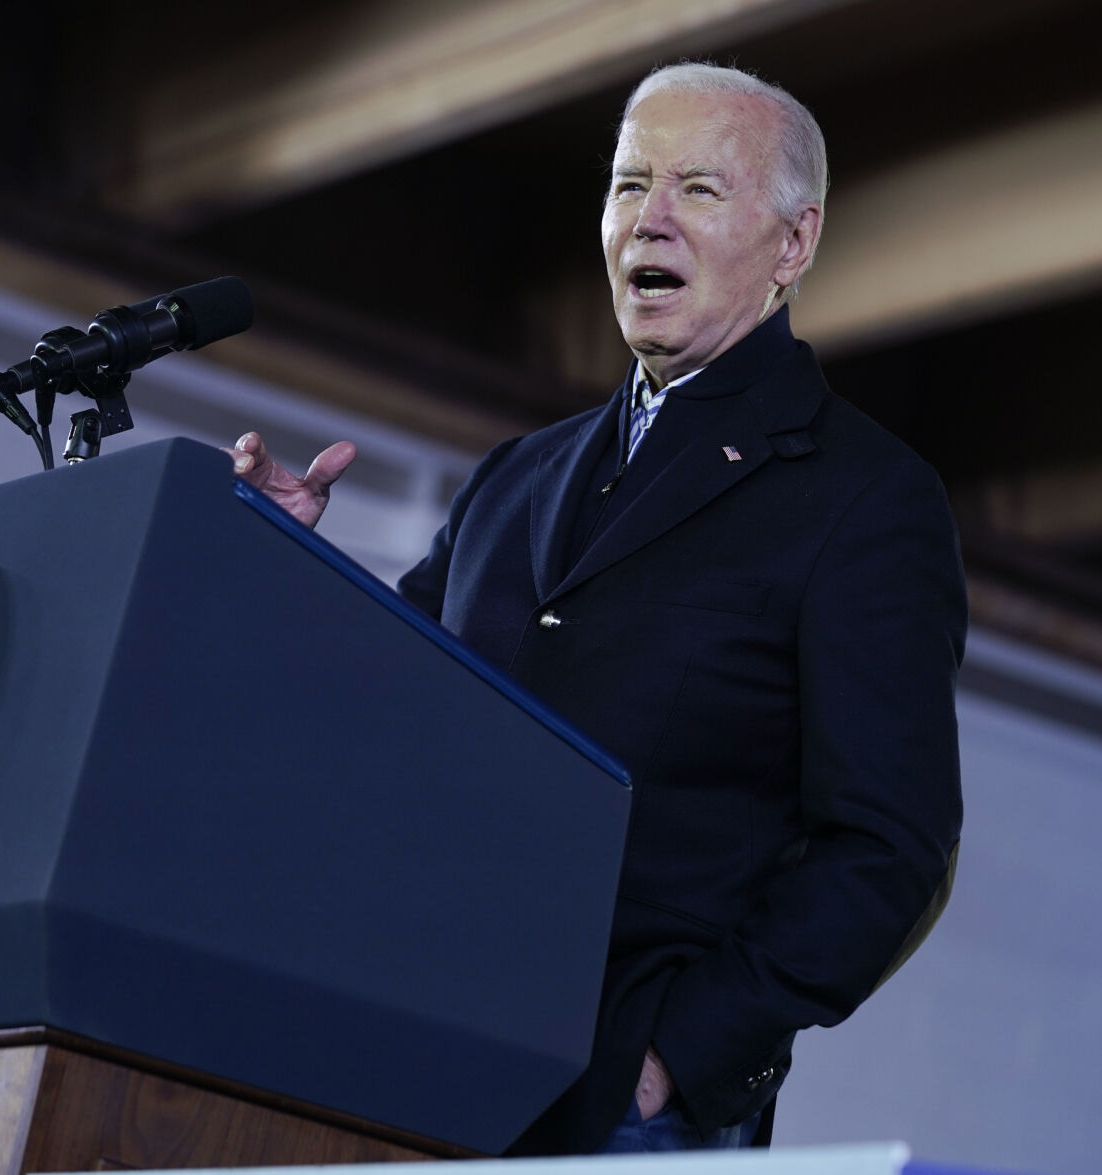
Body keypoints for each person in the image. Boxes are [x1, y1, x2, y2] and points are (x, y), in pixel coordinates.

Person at [228, 63, 966, 1156]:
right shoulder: (517, 475)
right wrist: (284, 566)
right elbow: (397, 707)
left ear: (792, 245)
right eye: (627, 186)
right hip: (408, 1056)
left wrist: (677, 1060)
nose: (647, 220)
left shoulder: (861, 495)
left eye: (697, 191)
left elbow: (889, 845)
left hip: (620, 1104)